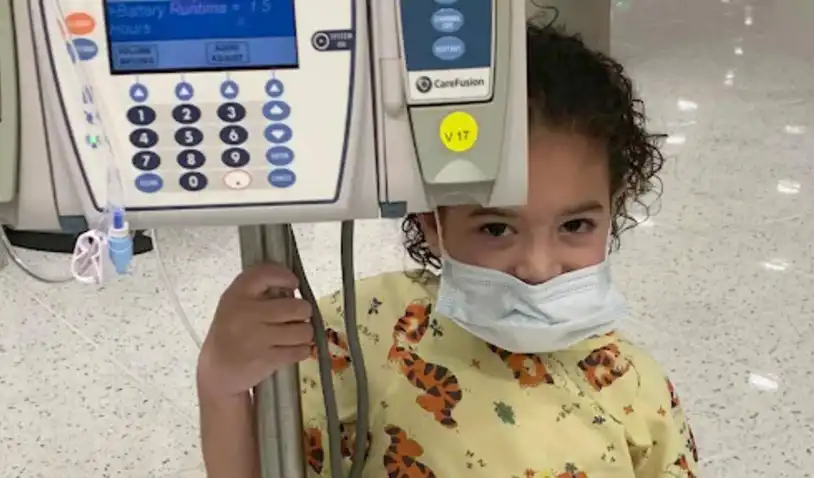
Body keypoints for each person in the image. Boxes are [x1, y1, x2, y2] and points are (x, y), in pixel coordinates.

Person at [196, 24, 701, 478]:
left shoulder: (634, 390)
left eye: (575, 225)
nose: (539, 267)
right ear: (430, 220)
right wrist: (220, 387)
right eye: (497, 229)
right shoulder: (364, 336)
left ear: (612, 210)